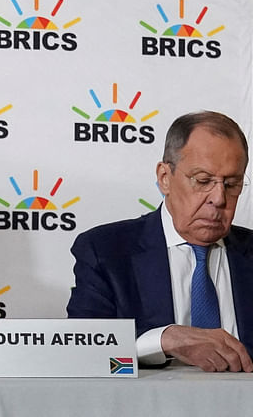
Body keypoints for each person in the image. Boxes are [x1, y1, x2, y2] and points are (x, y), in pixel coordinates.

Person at [67, 111, 253, 372]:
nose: (219, 198)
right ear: (165, 177)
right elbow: (80, 350)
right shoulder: (106, 252)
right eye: (203, 181)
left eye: (231, 184)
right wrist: (163, 339)